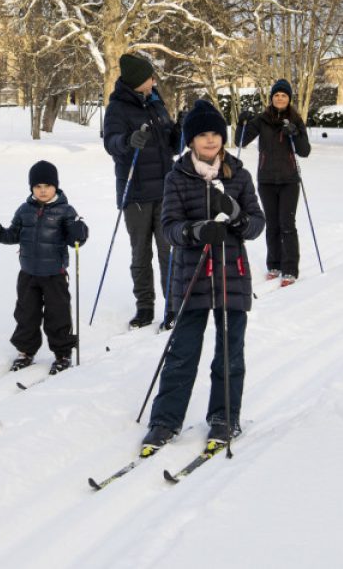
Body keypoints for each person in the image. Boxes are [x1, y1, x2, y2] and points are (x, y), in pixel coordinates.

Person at [141, 100, 264, 454]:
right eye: (202, 135)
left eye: (215, 134)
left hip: (231, 274)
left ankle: (225, 416)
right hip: (191, 275)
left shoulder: (239, 175)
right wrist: (195, 232)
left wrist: (237, 218)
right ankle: (165, 421)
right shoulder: (176, 177)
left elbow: (257, 223)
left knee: (229, 353)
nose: (210, 141)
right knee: (182, 352)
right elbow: (168, 228)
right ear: (191, 140)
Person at [0, 160, 89, 375]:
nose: (43, 191)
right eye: (38, 187)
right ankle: (25, 351)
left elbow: (74, 239)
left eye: (47, 186)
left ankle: (62, 353)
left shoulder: (65, 210)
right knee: (26, 314)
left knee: (58, 314)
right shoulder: (24, 210)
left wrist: (80, 232)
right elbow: (13, 235)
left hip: (54, 274)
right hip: (28, 274)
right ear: (31, 188)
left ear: (56, 187)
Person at [103, 53, 182, 329]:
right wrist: (128, 140)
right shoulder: (117, 109)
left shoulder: (157, 103)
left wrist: (180, 131)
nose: (154, 79)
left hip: (165, 191)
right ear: (139, 81)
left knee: (167, 251)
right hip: (135, 193)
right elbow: (111, 143)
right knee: (140, 254)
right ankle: (145, 307)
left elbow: (173, 146)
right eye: (150, 76)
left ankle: (173, 307)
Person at [236, 78, 311, 287]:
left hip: (289, 180)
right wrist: (242, 123)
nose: (280, 98)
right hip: (267, 179)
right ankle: (274, 265)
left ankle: (290, 268)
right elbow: (240, 141)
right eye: (276, 95)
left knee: (287, 224)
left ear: (289, 99)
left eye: (284, 95)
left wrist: (294, 134)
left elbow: (305, 151)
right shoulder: (262, 119)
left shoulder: (295, 120)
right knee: (272, 224)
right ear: (272, 98)